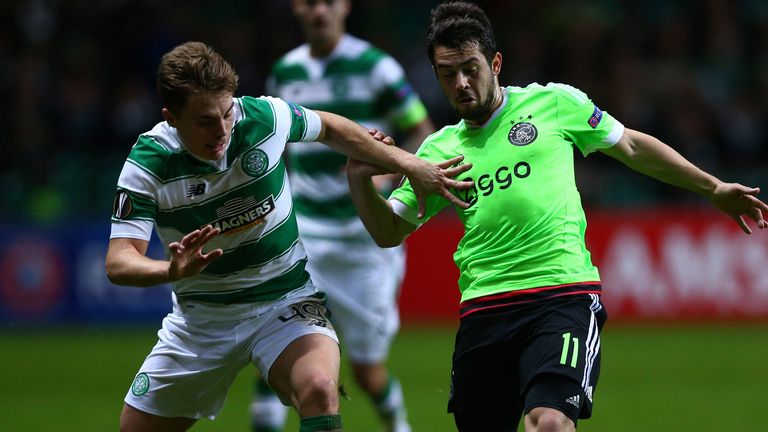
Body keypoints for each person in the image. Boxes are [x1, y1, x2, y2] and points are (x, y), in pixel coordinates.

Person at [345, 2, 768, 432]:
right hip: (483, 309)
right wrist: (359, 180)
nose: (461, 83)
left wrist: (712, 187)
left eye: (470, 68)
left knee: (548, 422)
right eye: (447, 73)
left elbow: (633, 148)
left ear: (495, 63)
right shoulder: (436, 150)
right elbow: (388, 231)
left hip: (561, 296)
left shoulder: (554, 104)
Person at [105, 41, 471, 432]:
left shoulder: (263, 117)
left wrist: (407, 163)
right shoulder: (149, 162)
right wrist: (169, 270)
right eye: (205, 121)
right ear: (171, 118)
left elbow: (330, 127)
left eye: (227, 113)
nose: (222, 130)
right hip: (202, 321)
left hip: (283, 300)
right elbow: (118, 260)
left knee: (318, 388)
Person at [249, 1, 434, 432]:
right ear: (296, 7)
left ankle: (399, 425)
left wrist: (387, 178)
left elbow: (422, 130)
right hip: (305, 237)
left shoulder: (376, 67)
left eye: (328, 2)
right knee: (278, 353)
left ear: (345, 6)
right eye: (310, 2)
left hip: (362, 239)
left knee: (369, 375)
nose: (319, 11)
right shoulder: (285, 73)